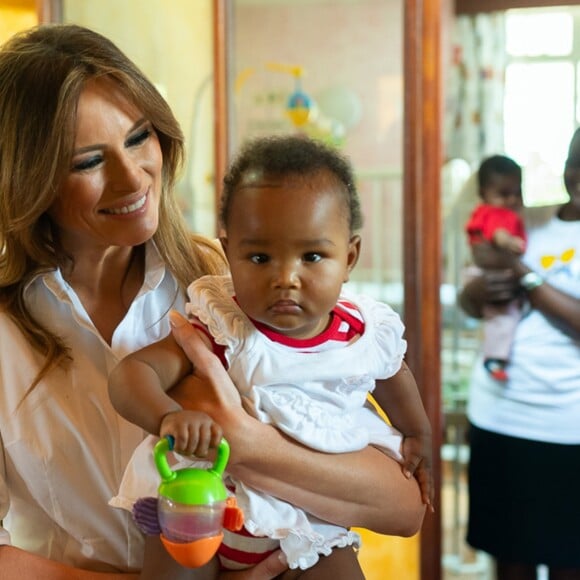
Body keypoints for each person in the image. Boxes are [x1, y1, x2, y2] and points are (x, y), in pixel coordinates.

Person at [0, 23, 426, 580]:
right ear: (28, 178)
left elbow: (403, 506)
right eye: (88, 161)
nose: (133, 178)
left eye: (138, 137)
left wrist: (249, 444)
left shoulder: (231, 288)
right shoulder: (9, 329)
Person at [108, 135, 433, 576]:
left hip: (310, 524)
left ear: (350, 257)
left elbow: (392, 372)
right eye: (259, 257)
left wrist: (418, 434)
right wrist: (167, 416)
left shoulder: (362, 333)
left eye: (312, 256)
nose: (286, 277)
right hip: (204, 502)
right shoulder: (223, 324)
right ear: (229, 254)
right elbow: (133, 374)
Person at [459, 129, 580, 580]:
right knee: (510, 563)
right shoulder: (523, 221)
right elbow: (474, 303)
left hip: (570, 428)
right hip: (500, 417)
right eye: (575, 163)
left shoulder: (519, 250)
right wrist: (471, 292)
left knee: (571, 564)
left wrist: (526, 275)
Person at [464, 154, 526, 382]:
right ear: (483, 193)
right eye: (503, 194)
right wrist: (511, 243)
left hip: (486, 273)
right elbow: (498, 234)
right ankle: (494, 358)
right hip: (485, 274)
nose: (511, 199)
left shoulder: (501, 211)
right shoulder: (493, 213)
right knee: (502, 318)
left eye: (517, 193)